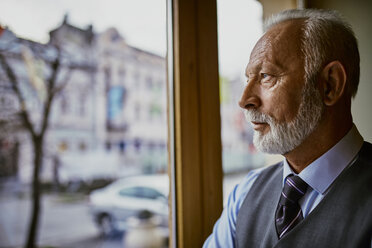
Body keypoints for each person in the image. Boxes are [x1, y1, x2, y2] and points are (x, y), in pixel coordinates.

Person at [203, 9, 372, 248]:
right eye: (247, 79)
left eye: (266, 76)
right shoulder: (243, 196)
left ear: (329, 85)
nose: (244, 100)